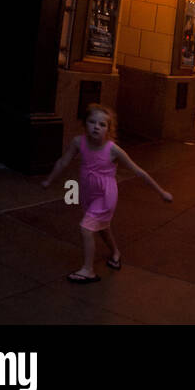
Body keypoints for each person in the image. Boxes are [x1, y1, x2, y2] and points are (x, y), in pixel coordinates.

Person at [41, 104, 172, 282]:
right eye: (92, 122)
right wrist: (49, 180)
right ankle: (116, 253)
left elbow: (138, 171)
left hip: (105, 196)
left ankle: (88, 270)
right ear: (85, 124)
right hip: (88, 193)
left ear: (109, 130)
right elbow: (63, 162)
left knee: (86, 228)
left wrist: (161, 191)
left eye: (102, 124)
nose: (96, 126)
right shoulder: (79, 142)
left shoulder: (113, 150)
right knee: (102, 227)